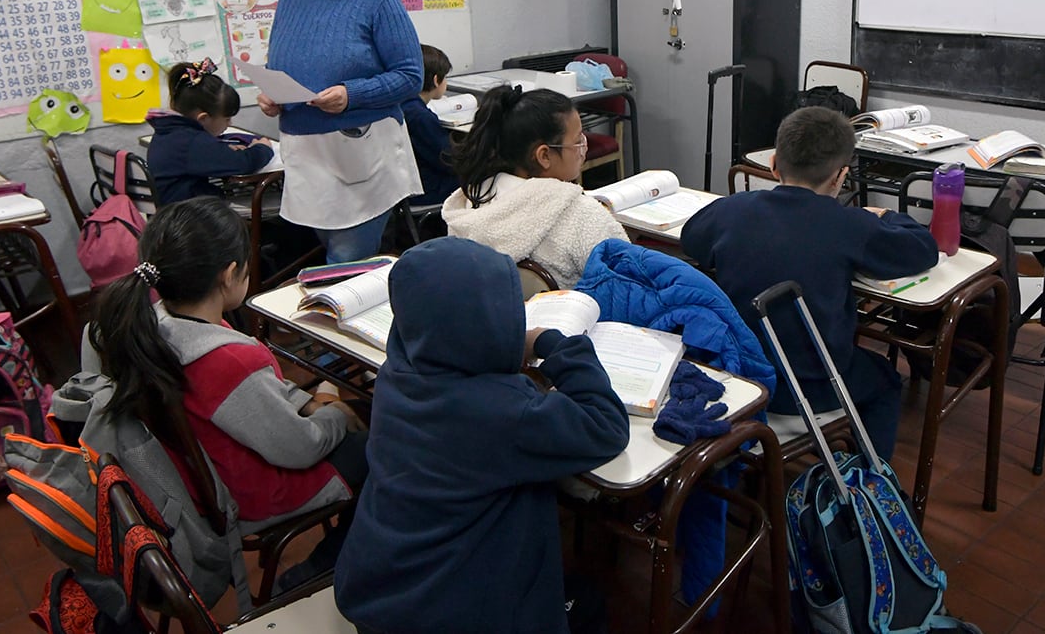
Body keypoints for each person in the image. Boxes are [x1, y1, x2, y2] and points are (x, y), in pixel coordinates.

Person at [334, 236, 629, 634]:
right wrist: (553, 344)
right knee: (588, 603)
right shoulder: (503, 413)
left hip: (379, 593)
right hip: (451, 614)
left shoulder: (396, 377)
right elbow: (606, 425)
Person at [87, 197, 367, 578]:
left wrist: (309, 402)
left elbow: (259, 399)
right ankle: (318, 570)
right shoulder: (226, 361)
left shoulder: (154, 325)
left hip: (210, 474)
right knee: (384, 454)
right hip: (255, 493)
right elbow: (300, 449)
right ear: (230, 273)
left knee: (351, 421)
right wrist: (333, 411)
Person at [681, 106, 939, 458]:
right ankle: (872, 486)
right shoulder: (850, 225)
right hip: (814, 387)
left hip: (738, 372)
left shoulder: (733, 209)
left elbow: (691, 236)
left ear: (773, 164)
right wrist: (886, 215)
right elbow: (924, 249)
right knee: (886, 381)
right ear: (840, 177)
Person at [260, 0, 424, 264]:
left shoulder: (376, 0)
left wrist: (352, 95)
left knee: (345, 263)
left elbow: (411, 76)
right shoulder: (290, 3)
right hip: (306, 154)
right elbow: (282, 68)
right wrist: (271, 95)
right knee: (334, 258)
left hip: (361, 151)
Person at [442, 85, 628, 289]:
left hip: (495, 317)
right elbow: (629, 281)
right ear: (544, 156)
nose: (583, 146)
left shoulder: (471, 202)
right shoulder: (583, 216)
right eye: (577, 141)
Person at [146, 58, 274, 205]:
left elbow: (203, 154)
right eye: (227, 119)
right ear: (203, 118)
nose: (230, 123)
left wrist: (221, 149)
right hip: (188, 219)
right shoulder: (191, 142)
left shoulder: (170, 132)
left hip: (173, 213)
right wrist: (263, 147)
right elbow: (244, 163)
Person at [400, 43, 459, 206]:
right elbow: (447, 159)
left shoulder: (401, 106)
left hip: (405, 188)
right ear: (436, 80)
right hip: (426, 190)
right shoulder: (420, 117)